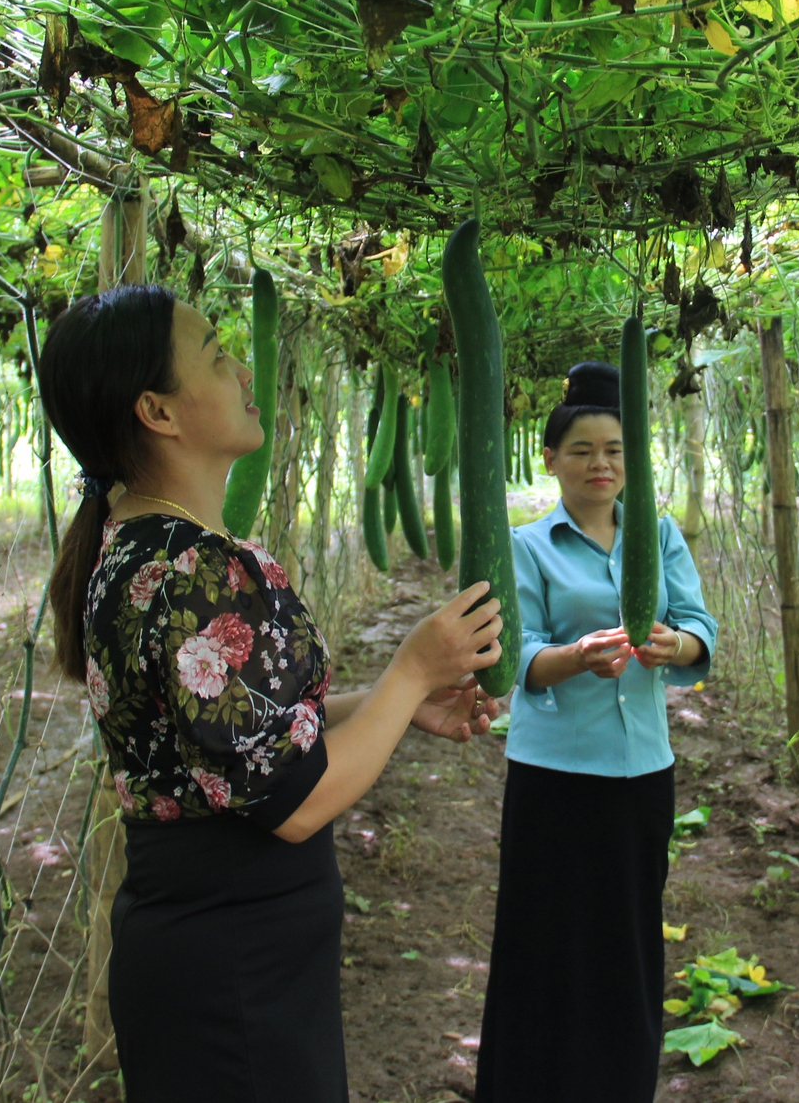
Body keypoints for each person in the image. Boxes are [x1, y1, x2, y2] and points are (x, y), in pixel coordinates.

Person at [38, 284, 504, 1102]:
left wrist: (395, 706)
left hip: (213, 953)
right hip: (234, 969)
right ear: (159, 410)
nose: (245, 367)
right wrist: (412, 670)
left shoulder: (141, 548)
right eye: (217, 355)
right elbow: (294, 799)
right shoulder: (195, 572)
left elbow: (244, 735)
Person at [474, 361, 719, 1103]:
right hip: (551, 776)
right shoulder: (527, 547)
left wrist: (672, 645)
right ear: (550, 459)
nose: (601, 464)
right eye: (581, 449)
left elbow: (701, 628)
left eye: (614, 450)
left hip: (640, 774)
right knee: (540, 943)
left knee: (628, 942)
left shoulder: (660, 534)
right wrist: (575, 658)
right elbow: (512, 654)